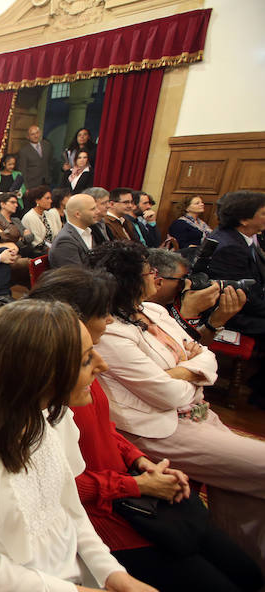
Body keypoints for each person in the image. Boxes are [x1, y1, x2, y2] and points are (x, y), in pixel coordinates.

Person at [27, 267, 262, 592]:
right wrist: (136, 485)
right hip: (107, 518)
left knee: (247, 573)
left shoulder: (82, 365)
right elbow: (55, 485)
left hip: (129, 489)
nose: (111, 320)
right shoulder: (47, 393)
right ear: (75, 320)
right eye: (104, 313)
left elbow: (105, 429)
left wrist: (139, 461)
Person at [0, 299, 155, 592]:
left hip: (65, 576)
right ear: (40, 374)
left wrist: (114, 575)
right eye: (85, 360)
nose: (102, 366)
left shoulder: (47, 416)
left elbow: (69, 511)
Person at [89, 240, 265, 574]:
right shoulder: (111, 332)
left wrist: (186, 369)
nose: (156, 277)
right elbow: (168, 395)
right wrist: (192, 369)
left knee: (239, 488)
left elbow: (205, 353)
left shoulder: (153, 311)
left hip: (199, 414)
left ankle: (246, 565)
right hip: (162, 431)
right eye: (149, 272)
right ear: (128, 281)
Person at [206, 190, 265, 399]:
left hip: (245, 305)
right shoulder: (230, 247)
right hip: (230, 313)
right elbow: (241, 296)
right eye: (263, 213)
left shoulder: (243, 239)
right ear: (244, 220)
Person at [146, 248, 245, 347]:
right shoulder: (140, 312)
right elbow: (174, 352)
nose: (186, 286)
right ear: (158, 282)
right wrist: (189, 312)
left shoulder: (169, 304)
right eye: (181, 281)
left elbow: (197, 345)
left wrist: (215, 322)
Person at [49, 193, 103, 269]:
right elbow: (76, 274)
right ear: (78, 214)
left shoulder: (91, 231)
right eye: (93, 209)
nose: (98, 211)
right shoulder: (65, 241)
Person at [0, 192, 37, 257]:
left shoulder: (16, 220)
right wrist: (23, 239)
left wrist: (21, 239)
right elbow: (6, 240)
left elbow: (31, 237)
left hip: (27, 251)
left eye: (16, 203)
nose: (16, 205)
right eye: (12, 202)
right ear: (2, 204)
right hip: (11, 254)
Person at [21, 186, 62, 250]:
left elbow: (58, 234)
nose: (51, 201)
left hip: (55, 249)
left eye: (50, 198)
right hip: (39, 252)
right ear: (37, 201)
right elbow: (36, 243)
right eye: (47, 198)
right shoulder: (29, 217)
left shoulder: (50, 214)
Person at [16, 124, 54, 189]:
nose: (36, 136)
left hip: (46, 182)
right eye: (32, 134)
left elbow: (50, 162)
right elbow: (22, 171)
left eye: (37, 133)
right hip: (32, 184)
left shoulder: (47, 145)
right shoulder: (23, 151)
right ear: (28, 137)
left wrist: (50, 177)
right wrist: (25, 187)